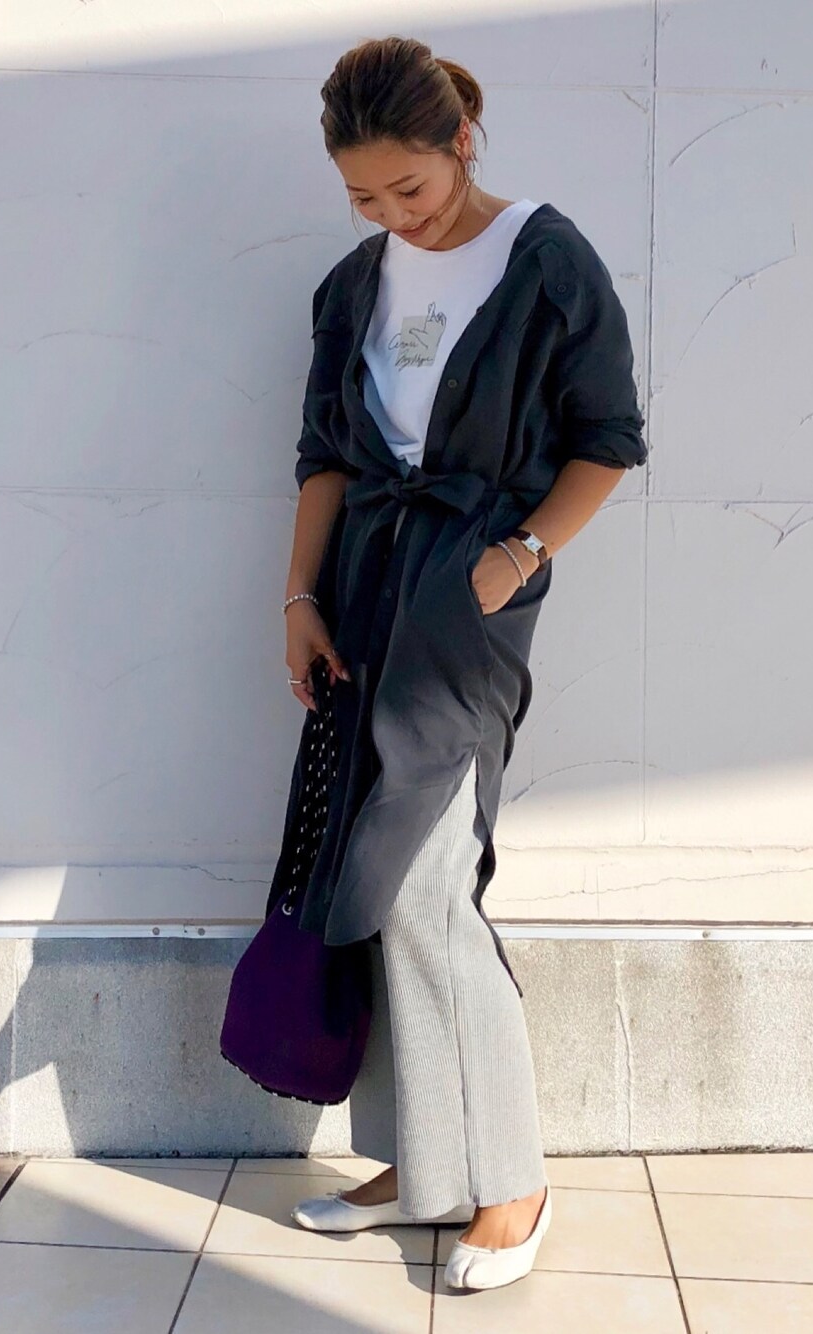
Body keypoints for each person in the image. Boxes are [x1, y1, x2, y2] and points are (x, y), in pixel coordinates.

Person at [276, 36, 647, 1292]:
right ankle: (421, 1162)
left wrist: (518, 554)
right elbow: (326, 454)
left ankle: (512, 1176)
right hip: (361, 587)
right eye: (363, 197)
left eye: (411, 188)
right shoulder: (350, 285)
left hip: (468, 595)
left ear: (462, 142)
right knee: (369, 871)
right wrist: (298, 599)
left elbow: (608, 437)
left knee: (430, 878)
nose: (393, 215)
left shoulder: (544, 258)